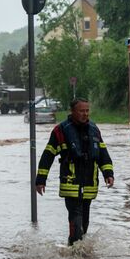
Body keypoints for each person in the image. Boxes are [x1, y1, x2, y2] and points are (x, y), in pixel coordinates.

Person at [35, 98, 115, 245]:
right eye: (81, 111)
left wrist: (108, 174)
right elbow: (48, 155)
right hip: (71, 184)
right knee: (76, 222)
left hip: (89, 185)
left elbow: (103, 154)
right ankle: (74, 256)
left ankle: (79, 257)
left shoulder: (94, 129)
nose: (85, 114)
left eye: (87, 111)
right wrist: (40, 180)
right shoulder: (61, 131)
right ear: (72, 112)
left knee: (84, 223)